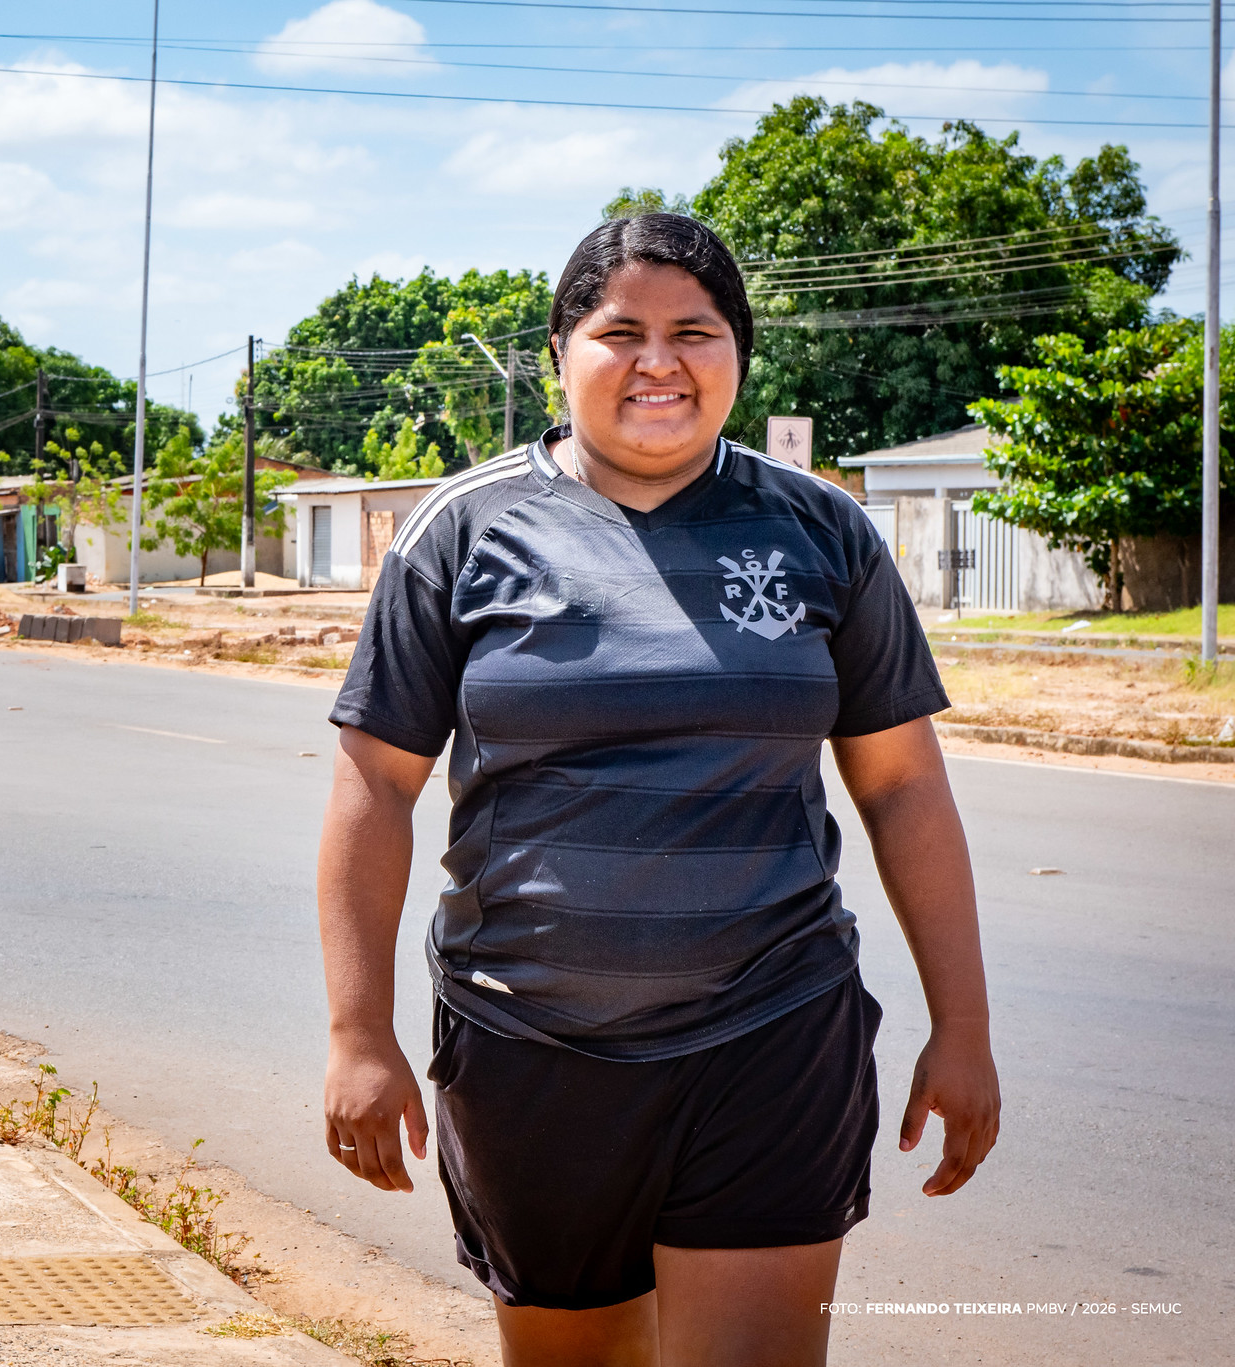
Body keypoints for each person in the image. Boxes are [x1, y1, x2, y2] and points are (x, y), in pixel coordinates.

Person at [317, 213, 998, 1367]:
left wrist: (963, 1026)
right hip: (525, 1035)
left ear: (736, 351)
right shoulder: (463, 530)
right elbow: (373, 787)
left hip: (771, 1030)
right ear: (557, 352)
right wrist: (357, 1033)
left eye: (694, 330)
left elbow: (901, 789)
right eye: (617, 330)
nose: (657, 361)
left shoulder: (820, 529)